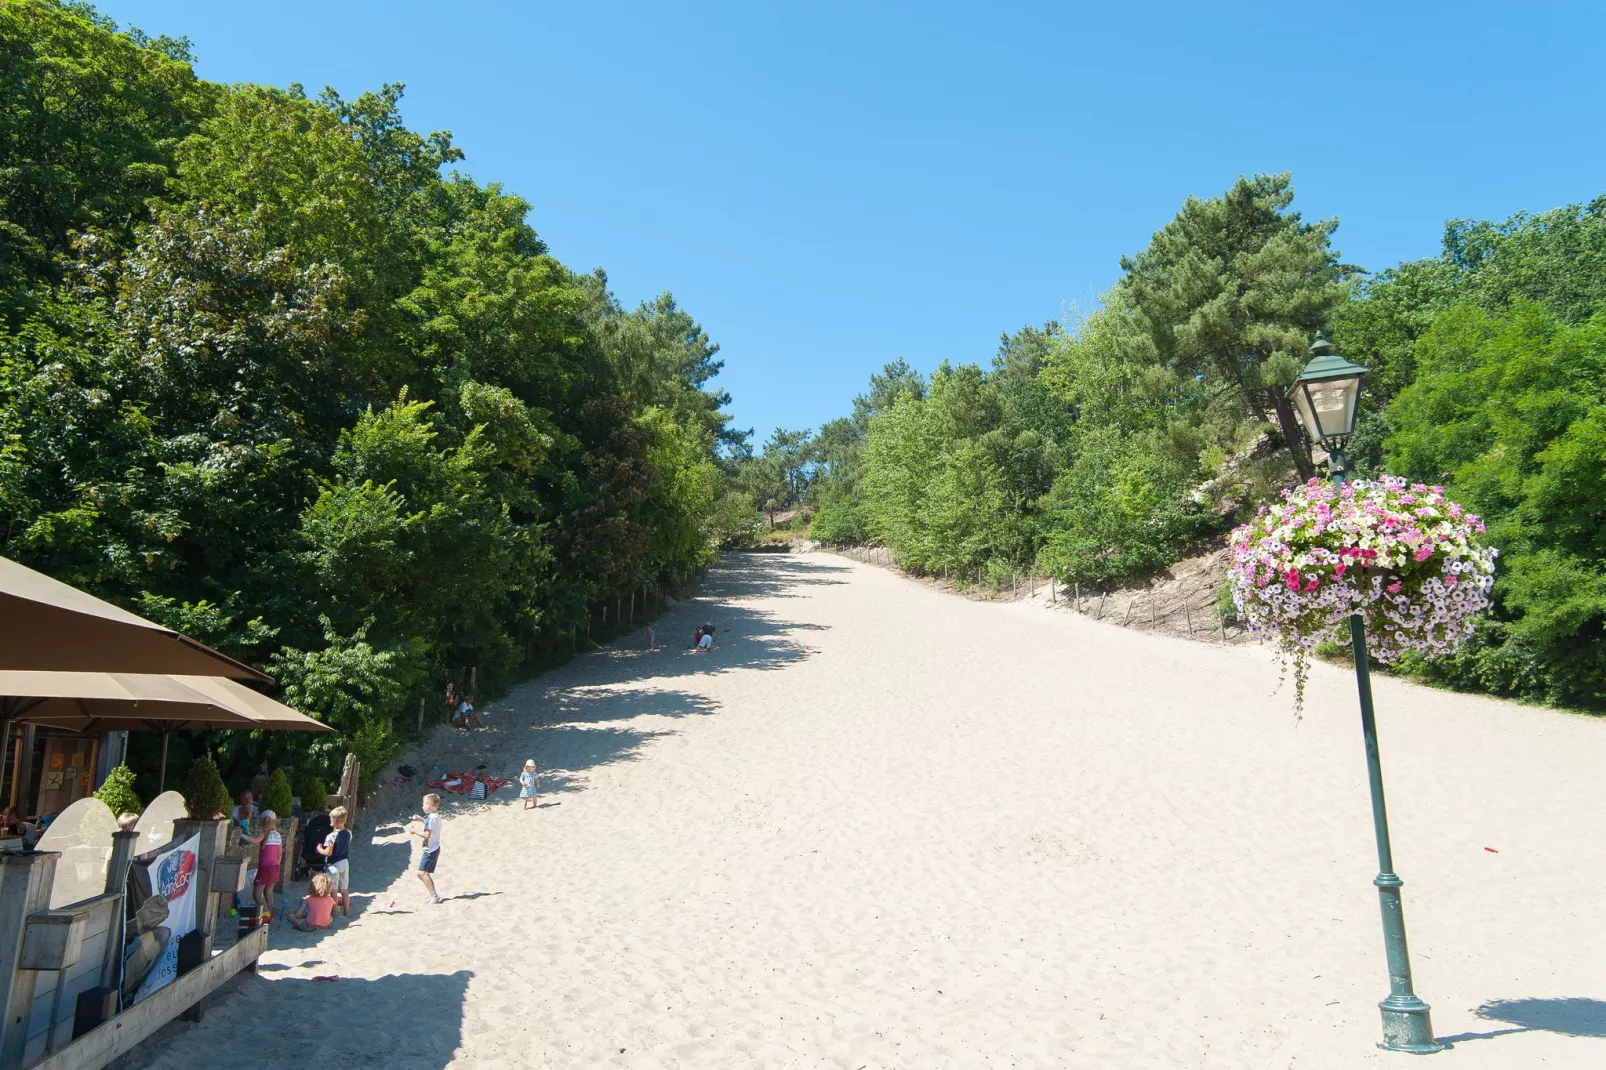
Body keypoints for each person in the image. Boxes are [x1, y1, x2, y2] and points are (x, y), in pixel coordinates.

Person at [241, 811, 281, 916]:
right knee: (269, 892)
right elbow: (279, 854)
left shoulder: (264, 833)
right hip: (275, 867)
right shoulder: (278, 835)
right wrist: (276, 865)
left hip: (265, 868)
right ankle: (269, 913)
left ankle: (266, 914)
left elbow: (255, 840)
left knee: (257, 895)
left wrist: (241, 835)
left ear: (263, 821)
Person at [318, 806, 353, 917]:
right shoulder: (348, 833)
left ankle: (333, 913)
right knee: (344, 890)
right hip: (345, 862)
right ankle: (346, 913)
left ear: (335, 821)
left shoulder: (330, 836)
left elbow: (328, 852)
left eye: (331, 819)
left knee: (334, 889)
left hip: (334, 864)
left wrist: (319, 849)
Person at [410, 793, 443, 903]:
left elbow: (427, 835)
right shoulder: (436, 816)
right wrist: (422, 820)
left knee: (421, 873)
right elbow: (431, 827)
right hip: (435, 848)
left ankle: (434, 895)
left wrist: (415, 832)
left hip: (430, 850)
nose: (423, 806)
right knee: (426, 873)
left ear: (429, 805)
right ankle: (432, 894)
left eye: (424, 804)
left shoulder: (430, 819)